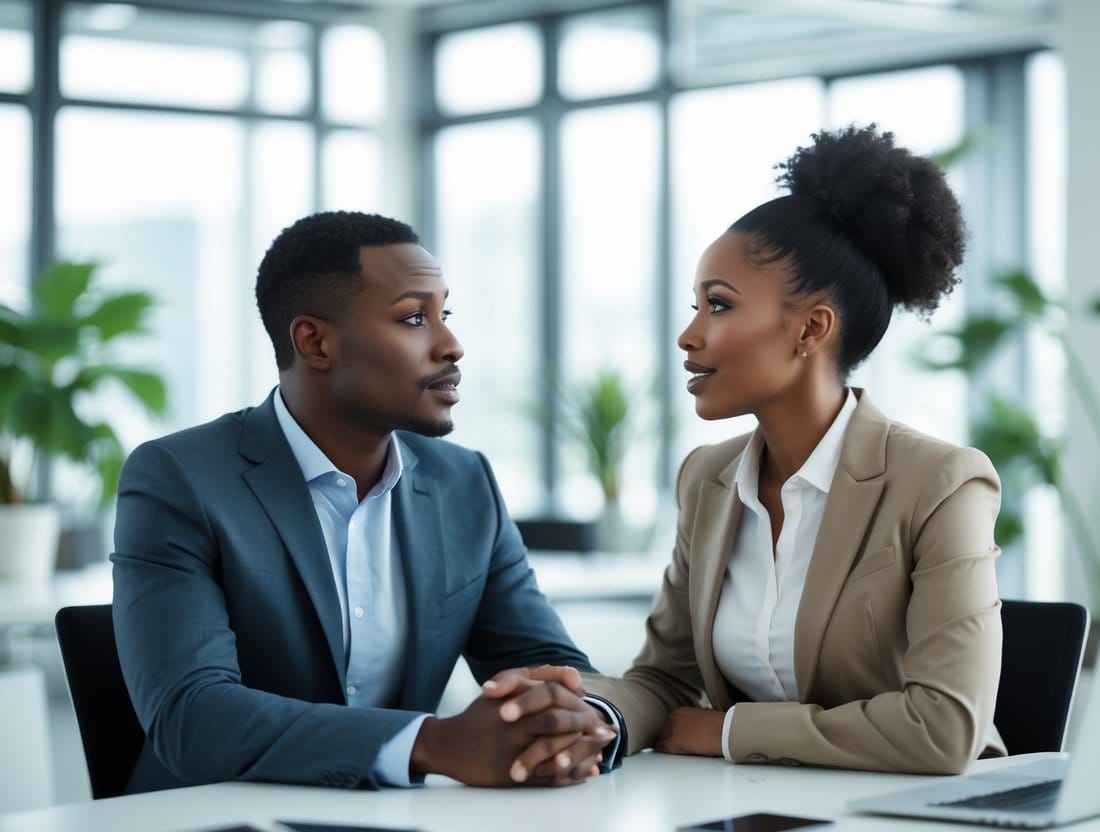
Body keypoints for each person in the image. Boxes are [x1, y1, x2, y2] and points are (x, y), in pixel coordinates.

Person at [488, 124, 1005, 777]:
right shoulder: (707, 478)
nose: (688, 334)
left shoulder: (939, 482)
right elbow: (665, 681)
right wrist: (589, 711)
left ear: (811, 328)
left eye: (718, 306)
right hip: (757, 808)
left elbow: (943, 728)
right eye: (695, 305)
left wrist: (729, 732)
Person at [110, 210, 615, 793]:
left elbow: (548, 659)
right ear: (315, 342)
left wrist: (581, 721)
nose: (451, 345)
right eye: (413, 318)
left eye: (443, 314)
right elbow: (192, 715)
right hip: (212, 817)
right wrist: (432, 743)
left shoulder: (464, 482)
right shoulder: (180, 479)